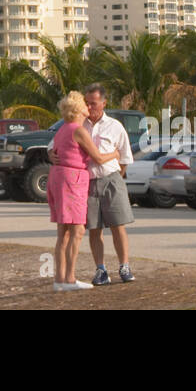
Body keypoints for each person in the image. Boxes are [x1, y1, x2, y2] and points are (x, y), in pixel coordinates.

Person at [47, 91, 119, 291]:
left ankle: (59, 279)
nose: (89, 107)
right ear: (79, 109)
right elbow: (98, 157)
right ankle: (69, 279)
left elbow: (53, 150)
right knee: (77, 230)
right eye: (85, 105)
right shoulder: (78, 130)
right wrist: (115, 152)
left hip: (58, 177)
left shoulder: (62, 129)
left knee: (63, 233)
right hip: (72, 180)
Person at [80, 84, 136, 284]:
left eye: (93, 103)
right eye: (86, 102)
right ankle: (101, 270)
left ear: (103, 103)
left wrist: (115, 177)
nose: (89, 107)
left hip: (111, 179)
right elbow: (55, 146)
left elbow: (124, 156)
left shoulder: (115, 126)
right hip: (88, 182)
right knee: (94, 228)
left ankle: (124, 266)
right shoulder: (78, 124)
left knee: (117, 225)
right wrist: (52, 154)